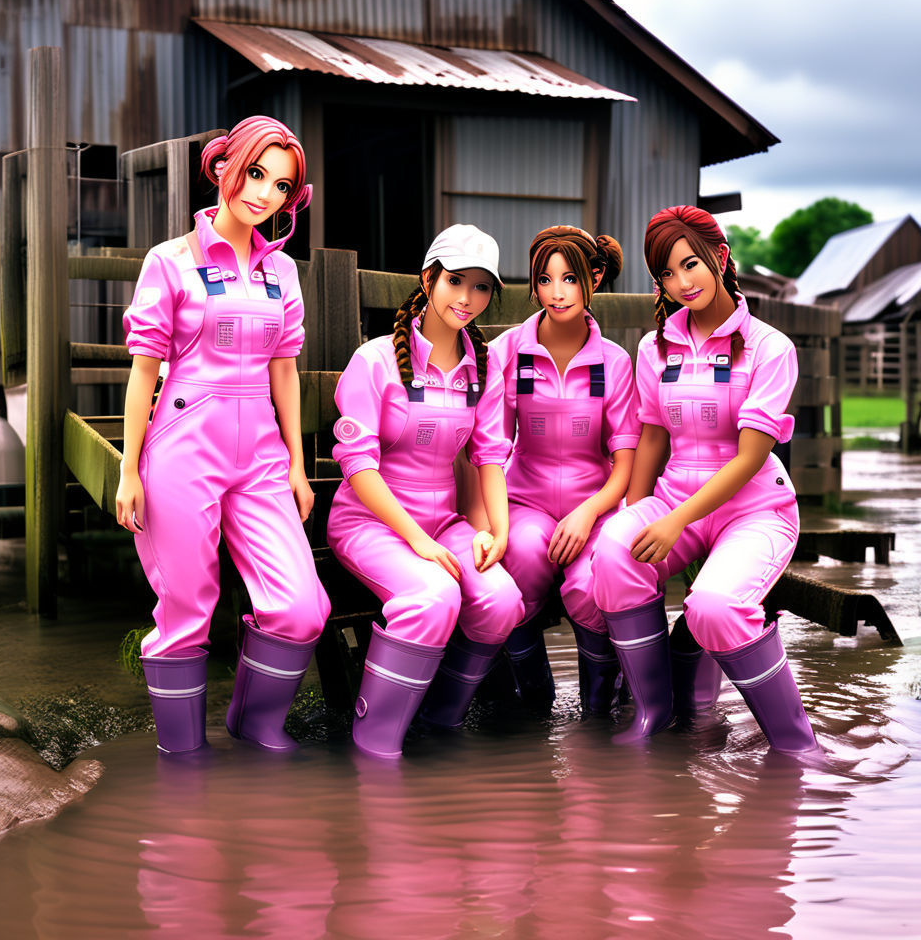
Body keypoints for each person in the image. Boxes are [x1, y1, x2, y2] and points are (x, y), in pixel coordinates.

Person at [117, 116, 330, 754]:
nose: (264, 194)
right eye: (255, 174)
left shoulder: (283, 271)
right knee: (187, 608)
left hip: (261, 454)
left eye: (281, 186)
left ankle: (255, 724)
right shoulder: (169, 261)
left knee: (302, 607)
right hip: (183, 448)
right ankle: (182, 758)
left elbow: (285, 370)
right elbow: (143, 374)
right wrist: (129, 470)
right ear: (222, 168)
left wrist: (296, 465)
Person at [590, 205, 815, 752]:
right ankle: (654, 714)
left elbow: (749, 458)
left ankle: (796, 746)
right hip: (675, 496)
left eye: (690, 264)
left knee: (714, 607)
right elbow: (651, 438)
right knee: (613, 553)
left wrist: (673, 523)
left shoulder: (770, 347)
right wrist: (634, 515)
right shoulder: (654, 347)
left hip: (754, 509)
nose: (681, 283)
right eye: (666, 273)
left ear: (720, 256)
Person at [327, 224, 524, 759]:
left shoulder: (484, 369)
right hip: (372, 522)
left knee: (503, 601)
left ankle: (438, 722)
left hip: (445, 524)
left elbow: (489, 456)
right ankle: (375, 745)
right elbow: (357, 465)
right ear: (428, 278)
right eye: (455, 281)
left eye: (481, 287)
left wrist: (494, 532)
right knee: (432, 599)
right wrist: (416, 539)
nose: (467, 297)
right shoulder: (376, 360)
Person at [490, 226, 638, 716]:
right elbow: (489, 449)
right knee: (522, 557)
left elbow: (625, 462)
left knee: (589, 586)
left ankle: (599, 709)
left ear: (593, 279)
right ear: (533, 284)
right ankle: (533, 698)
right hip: (523, 500)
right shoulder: (505, 352)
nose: (557, 292)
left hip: (594, 505)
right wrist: (491, 523)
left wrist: (589, 512)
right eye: (545, 279)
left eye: (570, 278)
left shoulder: (615, 362)